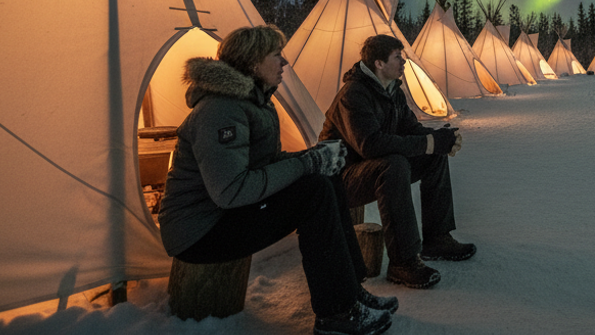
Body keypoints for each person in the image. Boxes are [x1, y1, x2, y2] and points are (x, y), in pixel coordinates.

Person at [158, 25, 398, 335]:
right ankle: (336, 314)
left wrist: (313, 158)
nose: (284, 63)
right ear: (253, 63)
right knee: (313, 192)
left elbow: (265, 165)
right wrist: (306, 164)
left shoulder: (255, 102)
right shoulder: (220, 110)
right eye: (276, 55)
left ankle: (349, 292)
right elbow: (232, 190)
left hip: (223, 216)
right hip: (199, 233)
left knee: (325, 176)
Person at [320, 34, 475, 289]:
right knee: (393, 165)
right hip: (339, 178)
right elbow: (371, 145)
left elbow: (410, 129)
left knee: (431, 157)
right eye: (397, 57)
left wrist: (439, 139)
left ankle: (437, 238)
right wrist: (428, 143)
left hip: (368, 169)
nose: (403, 61)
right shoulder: (354, 94)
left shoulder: (393, 92)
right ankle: (402, 262)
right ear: (379, 63)